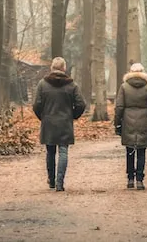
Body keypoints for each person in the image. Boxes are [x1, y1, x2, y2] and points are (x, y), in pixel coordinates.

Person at [32, 57, 87, 192]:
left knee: (50, 152)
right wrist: (73, 116)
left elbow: (36, 105)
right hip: (64, 122)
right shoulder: (71, 85)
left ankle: (51, 180)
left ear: (52, 67)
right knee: (63, 151)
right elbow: (81, 104)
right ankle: (60, 183)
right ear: (64, 68)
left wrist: (43, 117)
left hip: (48, 122)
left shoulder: (42, 84)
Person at [114, 62, 147, 190]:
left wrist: (117, 124)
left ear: (130, 72)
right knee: (141, 151)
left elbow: (119, 107)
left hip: (128, 121)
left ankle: (130, 179)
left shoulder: (124, 87)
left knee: (129, 150)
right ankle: (139, 180)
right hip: (144, 120)